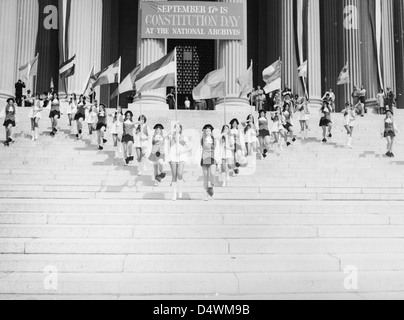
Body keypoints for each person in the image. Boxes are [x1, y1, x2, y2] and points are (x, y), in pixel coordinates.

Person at [167, 123, 190, 201]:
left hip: (181, 156)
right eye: (175, 127)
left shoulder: (184, 137)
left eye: (178, 127)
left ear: (180, 129)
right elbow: (165, 137)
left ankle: (180, 189)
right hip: (173, 156)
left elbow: (189, 148)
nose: (177, 129)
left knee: (179, 174)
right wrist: (171, 132)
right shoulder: (171, 137)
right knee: (174, 175)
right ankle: (174, 193)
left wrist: (182, 152)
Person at [201, 124, 217, 201]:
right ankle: (206, 194)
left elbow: (215, 148)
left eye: (209, 130)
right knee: (205, 177)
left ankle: (211, 188)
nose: (207, 132)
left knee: (212, 174)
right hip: (204, 158)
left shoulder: (213, 138)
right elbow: (205, 146)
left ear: (211, 131)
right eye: (206, 130)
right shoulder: (203, 139)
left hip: (212, 157)